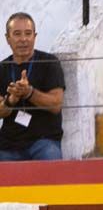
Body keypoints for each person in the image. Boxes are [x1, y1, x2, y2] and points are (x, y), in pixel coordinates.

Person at [0, 12, 64, 161]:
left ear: (35, 36)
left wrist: (29, 93)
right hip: (8, 144)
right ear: (8, 39)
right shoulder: (2, 68)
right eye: (17, 34)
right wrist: (11, 100)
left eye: (28, 33)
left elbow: (56, 104)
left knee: (52, 163)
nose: (23, 39)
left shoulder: (49, 62)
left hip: (44, 141)